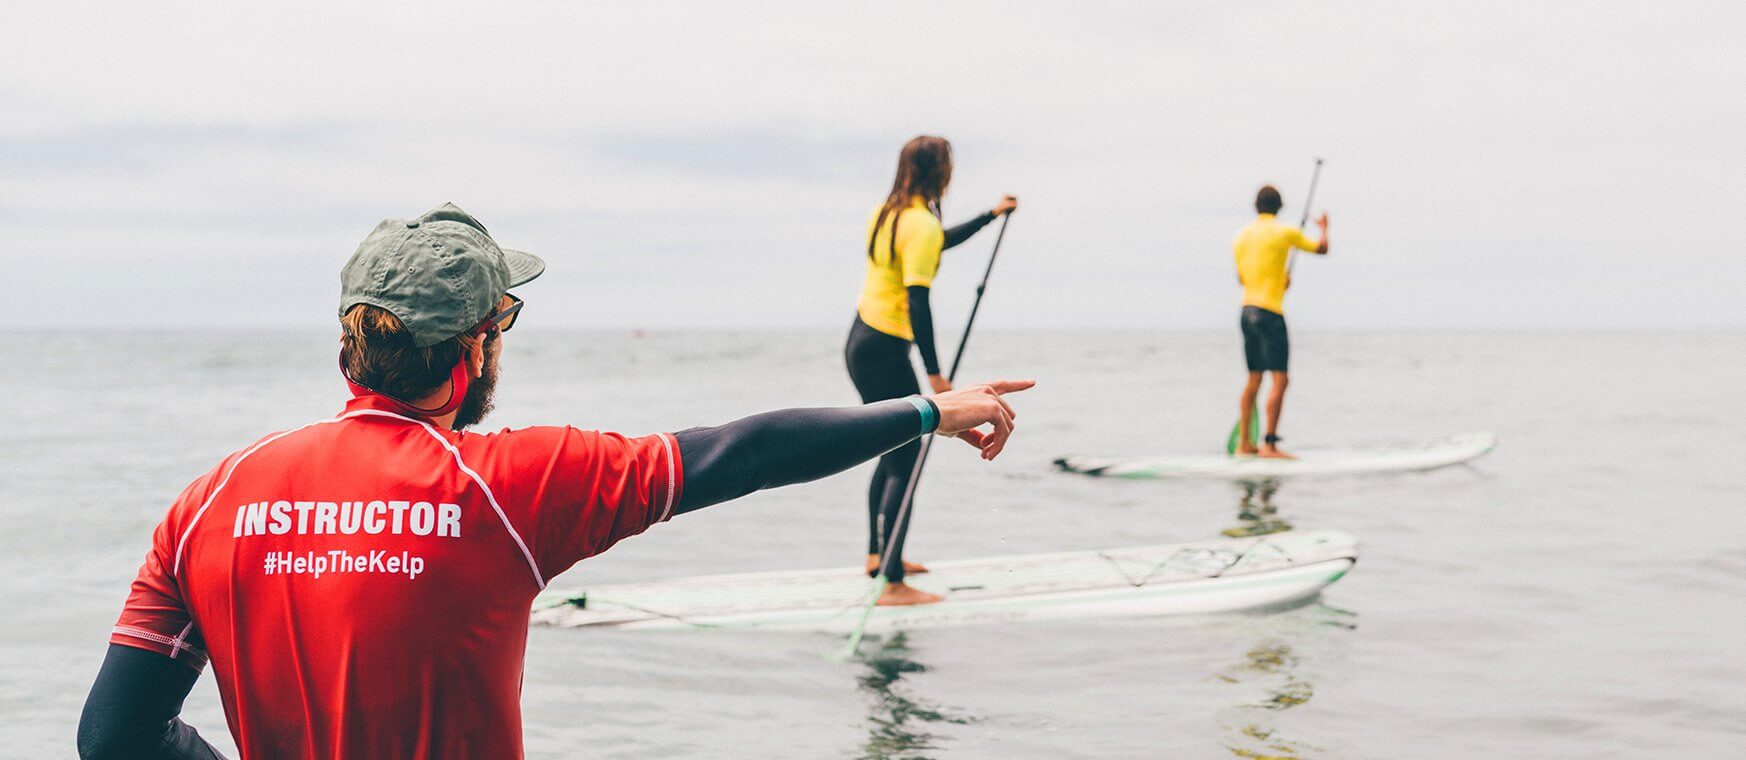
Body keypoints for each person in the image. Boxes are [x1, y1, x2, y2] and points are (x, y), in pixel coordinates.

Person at [77, 203, 1033, 760]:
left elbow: (112, 741)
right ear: (474, 349)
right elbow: (740, 453)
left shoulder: (208, 501)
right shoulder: (510, 486)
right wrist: (925, 411)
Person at [845, 135, 1016, 605]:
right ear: (938, 170)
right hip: (886, 348)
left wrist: (990, 216)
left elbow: (938, 242)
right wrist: (937, 376)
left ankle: (879, 557)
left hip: (863, 340)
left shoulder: (888, 214)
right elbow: (918, 301)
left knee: (891, 450)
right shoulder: (919, 222)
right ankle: (893, 583)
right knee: (906, 455)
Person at [1233, 185, 1330, 458]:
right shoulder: (1284, 231)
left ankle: (1244, 444)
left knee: (1253, 378)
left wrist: (1278, 281)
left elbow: (1242, 278)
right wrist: (1323, 227)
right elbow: (1322, 249)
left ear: (1256, 206)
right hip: (1270, 312)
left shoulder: (1240, 237)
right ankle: (1270, 444)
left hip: (1246, 311)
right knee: (1280, 379)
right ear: (1279, 207)